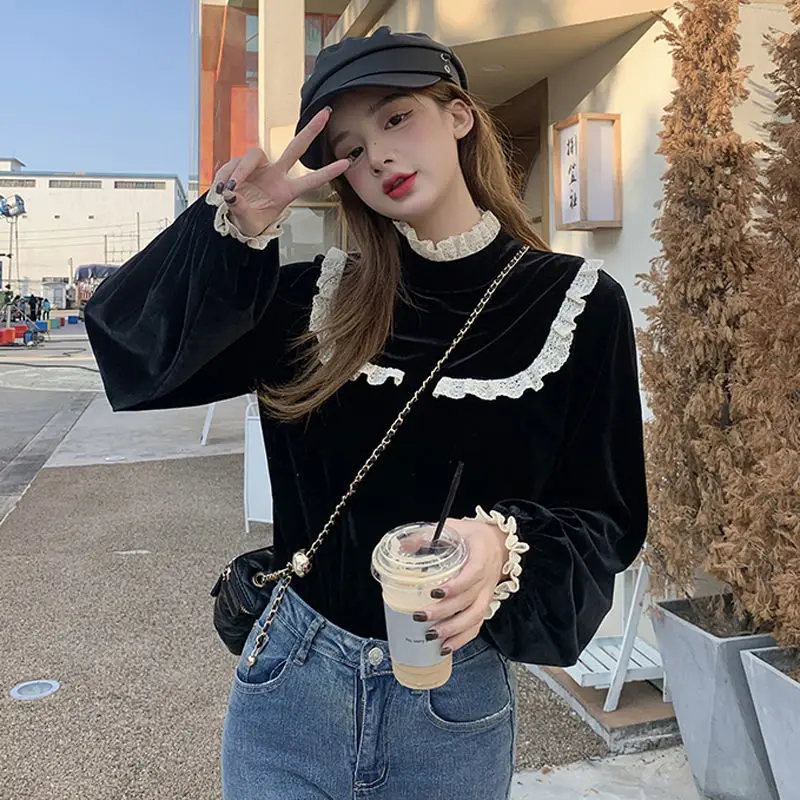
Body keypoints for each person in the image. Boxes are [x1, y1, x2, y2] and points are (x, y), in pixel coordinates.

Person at [84, 27, 647, 800]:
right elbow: (135, 358)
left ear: (458, 115)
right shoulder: (312, 299)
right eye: (350, 147)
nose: (378, 155)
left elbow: (605, 516)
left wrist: (501, 545)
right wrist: (233, 229)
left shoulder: (576, 305)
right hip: (291, 684)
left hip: (450, 699)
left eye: (396, 117)